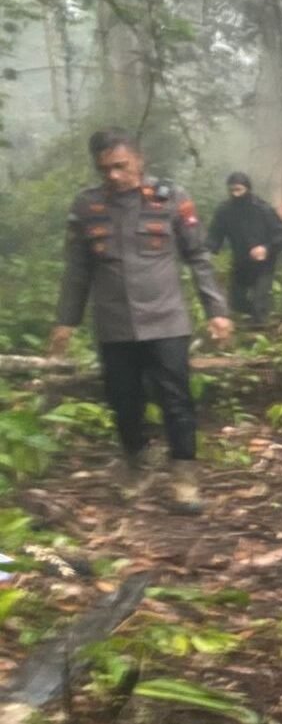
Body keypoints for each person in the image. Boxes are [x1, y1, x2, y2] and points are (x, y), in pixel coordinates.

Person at [49, 128, 233, 513]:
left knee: (176, 400)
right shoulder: (87, 206)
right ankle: (139, 461)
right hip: (114, 324)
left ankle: (184, 478)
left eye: (121, 166)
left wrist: (216, 311)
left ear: (139, 159)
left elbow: (198, 257)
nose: (114, 175)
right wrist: (66, 321)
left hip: (166, 321)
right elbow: (77, 270)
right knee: (123, 401)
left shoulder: (171, 199)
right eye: (105, 169)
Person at [206, 172, 282, 326]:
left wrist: (266, 249)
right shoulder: (225, 211)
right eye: (232, 190)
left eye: (239, 190)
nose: (235, 194)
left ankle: (261, 327)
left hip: (264, 264)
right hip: (241, 263)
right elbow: (215, 234)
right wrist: (208, 252)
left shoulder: (263, 209)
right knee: (236, 302)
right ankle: (257, 319)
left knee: (259, 303)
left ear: (248, 189)